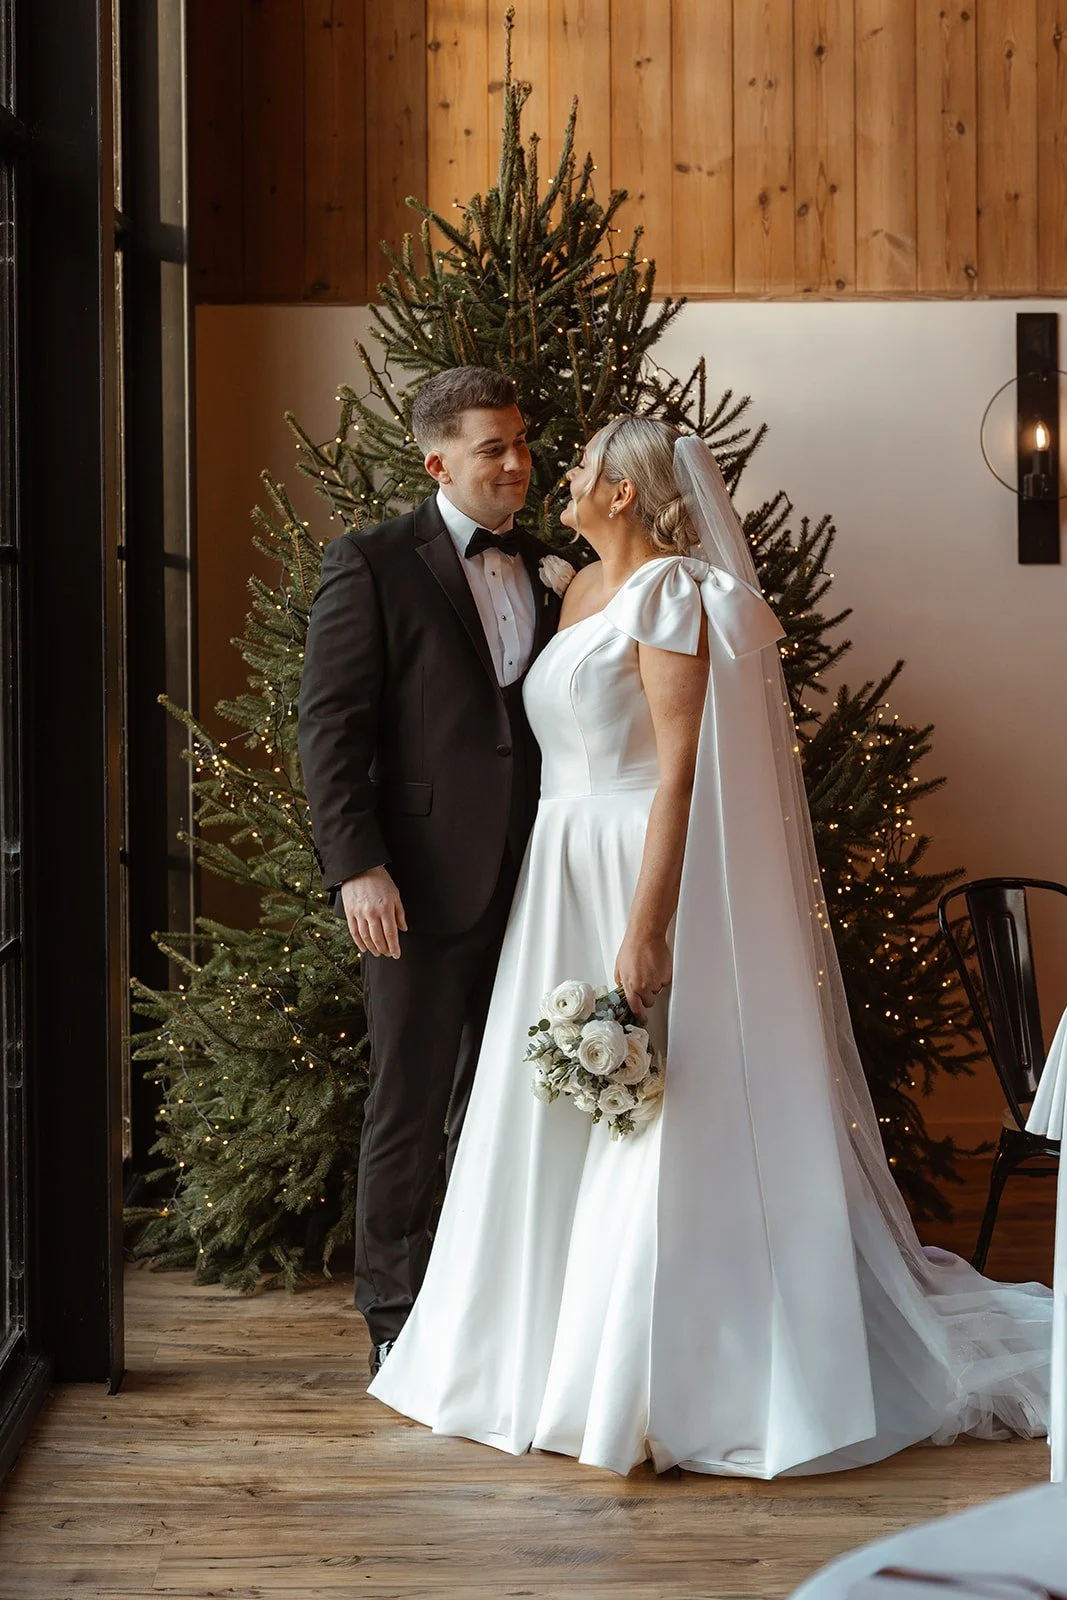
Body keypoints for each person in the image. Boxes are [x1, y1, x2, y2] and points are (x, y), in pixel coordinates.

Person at [367, 415, 1053, 1478]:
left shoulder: (673, 595)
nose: (564, 475)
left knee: (655, 1109)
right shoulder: (576, 589)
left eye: (585, 466)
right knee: (551, 1111)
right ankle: (528, 1345)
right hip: (561, 864)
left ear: (625, 493)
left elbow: (680, 769)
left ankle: (654, 1370)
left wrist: (647, 928)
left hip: (633, 864)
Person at [298, 367, 566, 1378]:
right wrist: (357, 866)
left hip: (538, 879)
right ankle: (395, 1320)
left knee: (504, 1095)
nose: (515, 463)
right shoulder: (369, 563)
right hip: (410, 883)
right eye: (492, 447)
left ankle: (489, 1302)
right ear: (436, 460)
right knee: (408, 1097)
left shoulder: (551, 564)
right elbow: (329, 728)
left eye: (522, 443)